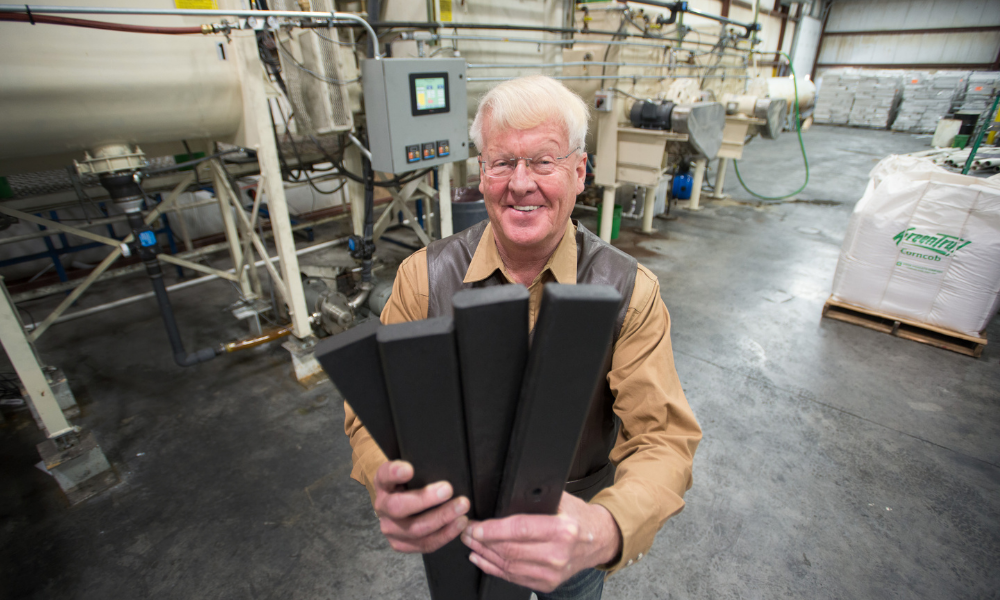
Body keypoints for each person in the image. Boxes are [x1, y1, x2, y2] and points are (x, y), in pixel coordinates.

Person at [344, 75, 702, 599]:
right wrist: (387, 481)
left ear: (579, 172)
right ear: (481, 174)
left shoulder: (629, 291)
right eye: (502, 162)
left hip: (574, 535)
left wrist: (604, 530)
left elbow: (663, 438)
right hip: (465, 531)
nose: (520, 182)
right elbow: (374, 410)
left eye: (543, 161)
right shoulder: (425, 277)